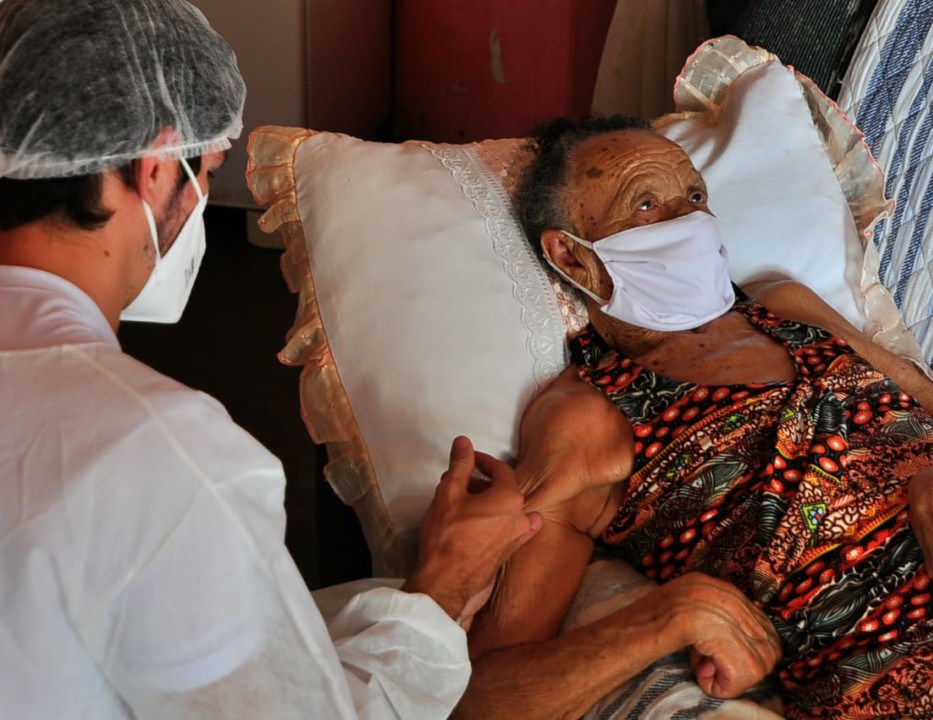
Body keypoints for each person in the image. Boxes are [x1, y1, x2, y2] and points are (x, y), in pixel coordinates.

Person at [0, 1, 540, 718]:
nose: (201, 201)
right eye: (208, 171)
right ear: (153, 170)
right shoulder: (159, 456)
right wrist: (444, 588)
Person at [458, 116, 933, 719]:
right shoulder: (589, 414)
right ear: (571, 258)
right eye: (646, 205)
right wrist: (672, 616)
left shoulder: (786, 308)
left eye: (694, 197)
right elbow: (484, 700)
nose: (690, 221)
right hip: (917, 680)